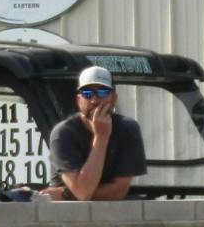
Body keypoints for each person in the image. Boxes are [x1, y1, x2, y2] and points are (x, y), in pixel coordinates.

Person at [45, 65, 147, 201]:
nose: (94, 100)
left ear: (114, 98)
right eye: (87, 94)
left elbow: (118, 191)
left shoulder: (127, 128)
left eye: (102, 92)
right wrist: (101, 137)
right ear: (78, 100)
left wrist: (66, 193)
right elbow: (83, 193)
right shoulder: (63, 133)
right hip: (66, 214)